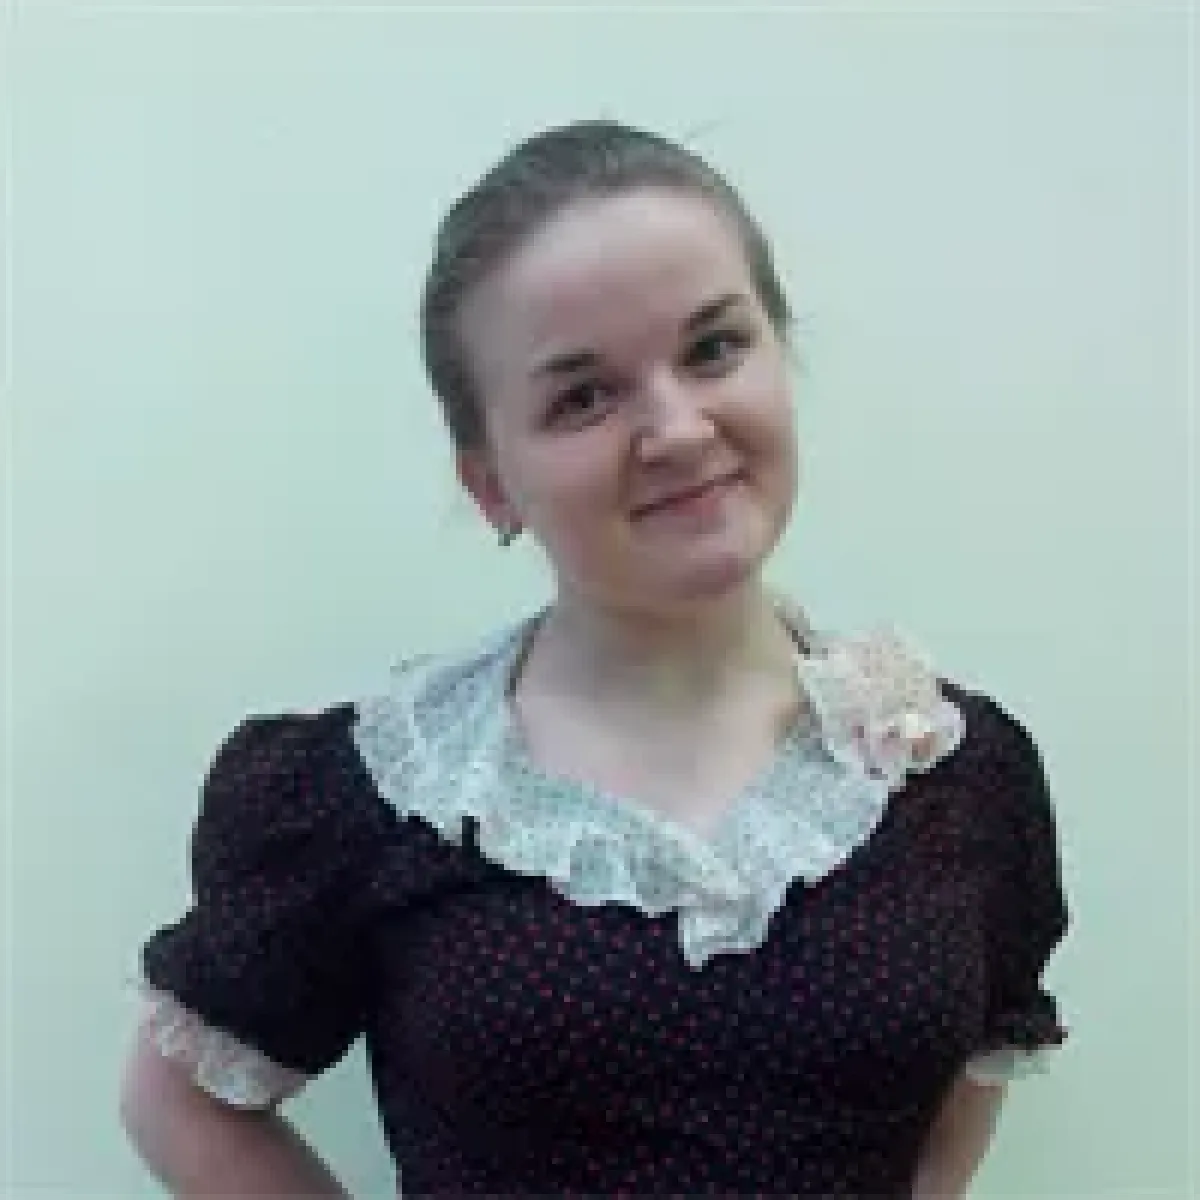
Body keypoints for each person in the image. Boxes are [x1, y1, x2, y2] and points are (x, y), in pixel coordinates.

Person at [119, 120, 1070, 1199]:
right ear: (492, 484)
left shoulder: (955, 774)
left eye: (714, 348)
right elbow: (179, 1101)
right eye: (582, 397)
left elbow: (957, 1107)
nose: (678, 429)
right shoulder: (381, 797)